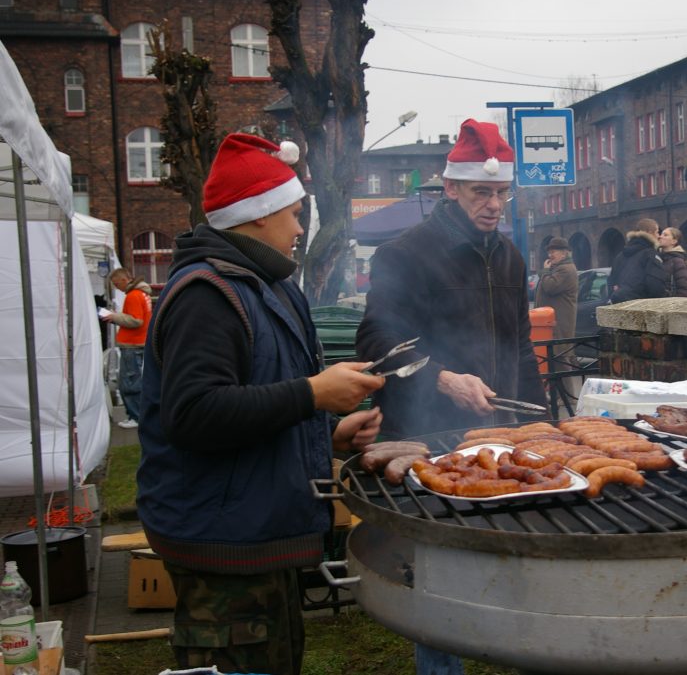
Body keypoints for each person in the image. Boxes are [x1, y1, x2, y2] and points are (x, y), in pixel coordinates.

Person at [136, 133, 385, 675]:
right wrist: (313, 394)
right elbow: (194, 415)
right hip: (222, 544)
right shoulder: (207, 295)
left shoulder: (268, 286)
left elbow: (260, 398)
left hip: (258, 531)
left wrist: (328, 435)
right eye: (294, 215)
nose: (299, 229)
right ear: (258, 215)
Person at [356, 118, 546, 440]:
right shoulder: (405, 253)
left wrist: (541, 425)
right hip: (422, 432)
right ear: (451, 188)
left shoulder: (510, 257)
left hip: (497, 431)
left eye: (502, 193)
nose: (494, 205)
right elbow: (375, 341)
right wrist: (442, 379)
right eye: (481, 192)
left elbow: (521, 350)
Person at [101, 267, 152, 429]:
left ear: (124, 280)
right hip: (140, 342)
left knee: (129, 382)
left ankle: (136, 417)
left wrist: (113, 317)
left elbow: (136, 321)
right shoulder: (142, 293)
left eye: (117, 284)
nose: (117, 288)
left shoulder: (133, 295)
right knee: (135, 380)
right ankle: (139, 416)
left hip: (132, 344)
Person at [534, 236, 578, 374]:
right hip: (553, 323)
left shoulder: (565, 270)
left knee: (561, 361)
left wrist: (545, 272)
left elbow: (550, 287)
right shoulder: (558, 268)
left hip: (559, 324)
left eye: (553, 252)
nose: (550, 255)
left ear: (564, 253)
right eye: (549, 252)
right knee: (555, 361)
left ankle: (568, 389)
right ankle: (557, 389)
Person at [608, 217, 668, 303]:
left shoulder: (621, 255)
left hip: (620, 303)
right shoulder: (650, 254)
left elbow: (611, 281)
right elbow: (655, 285)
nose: (658, 236)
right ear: (649, 232)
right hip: (641, 305)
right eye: (657, 232)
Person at [657, 227, 687, 297]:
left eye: (665, 235)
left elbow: (684, 289)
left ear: (674, 241)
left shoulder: (677, 261)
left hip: (671, 302)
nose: (660, 237)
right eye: (661, 234)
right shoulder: (658, 258)